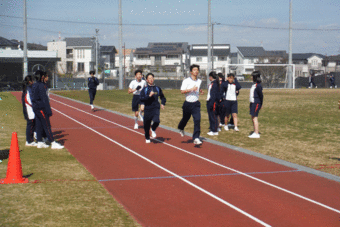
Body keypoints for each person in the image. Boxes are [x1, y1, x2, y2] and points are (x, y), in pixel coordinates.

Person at [31, 70, 64, 149]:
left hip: (36, 107)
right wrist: (48, 110)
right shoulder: (41, 86)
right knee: (47, 125)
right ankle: (52, 142)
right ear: (42, 77)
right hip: (41, 108)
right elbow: (44, 99)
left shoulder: (34, 85)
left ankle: (39, 142)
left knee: (39, 125)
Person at [178, 64, 204, 145]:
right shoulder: (186, 81)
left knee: (197, 120)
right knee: (185, 119)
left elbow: (197, 87)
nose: (196, 71)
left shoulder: (199, 81)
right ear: (191, 72)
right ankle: (181, 128)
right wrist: (191, 89)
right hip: (187, 104)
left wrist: (200, 90)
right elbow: (182, 91)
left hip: (196, 103)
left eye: (197, 70)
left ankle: (196, 137)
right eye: (194, 70)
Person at [140, 73, 166, 143]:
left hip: (156, 107)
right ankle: (147, 137)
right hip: (148, 108)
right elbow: (142, 98)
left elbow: (162, 97)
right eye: (149, 78)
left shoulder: (157, 88)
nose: (151, 79)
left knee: (157, 121)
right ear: (147, 80)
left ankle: (153, 129)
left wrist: (163, 103)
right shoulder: (145, 89)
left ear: (153, 79)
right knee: (146, 124)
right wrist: (149, 96)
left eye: (152, 78)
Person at [22, 75, 37, 146]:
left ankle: (31, 139)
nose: (33, 82)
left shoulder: (28, 88)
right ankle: (28, 141)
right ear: (30, 81)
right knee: (30, 125)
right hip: (29, 110)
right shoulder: (28, 89)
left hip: (30, 110)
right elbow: (28, 100)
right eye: (32, 80)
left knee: (32, 125)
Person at [249, 71, 263, 139]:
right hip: (252, 103)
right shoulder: (254, 85)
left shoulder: (258, 86)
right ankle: (255, 131)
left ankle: (256, 133)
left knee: (255, 117)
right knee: (253, 117)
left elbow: (261, 96)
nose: (251, 78)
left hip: (256, 103)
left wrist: (261, 104)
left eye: (252, 76)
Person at [206, 72, 221, 136]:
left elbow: (214, 95)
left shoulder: (214, 84)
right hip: (211, 101)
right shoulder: (213, 84)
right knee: (212, 116)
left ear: (211, 77)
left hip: (213, 102)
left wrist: (211, 103)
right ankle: (214, 128)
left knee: (213, 116)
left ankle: (214, 130)